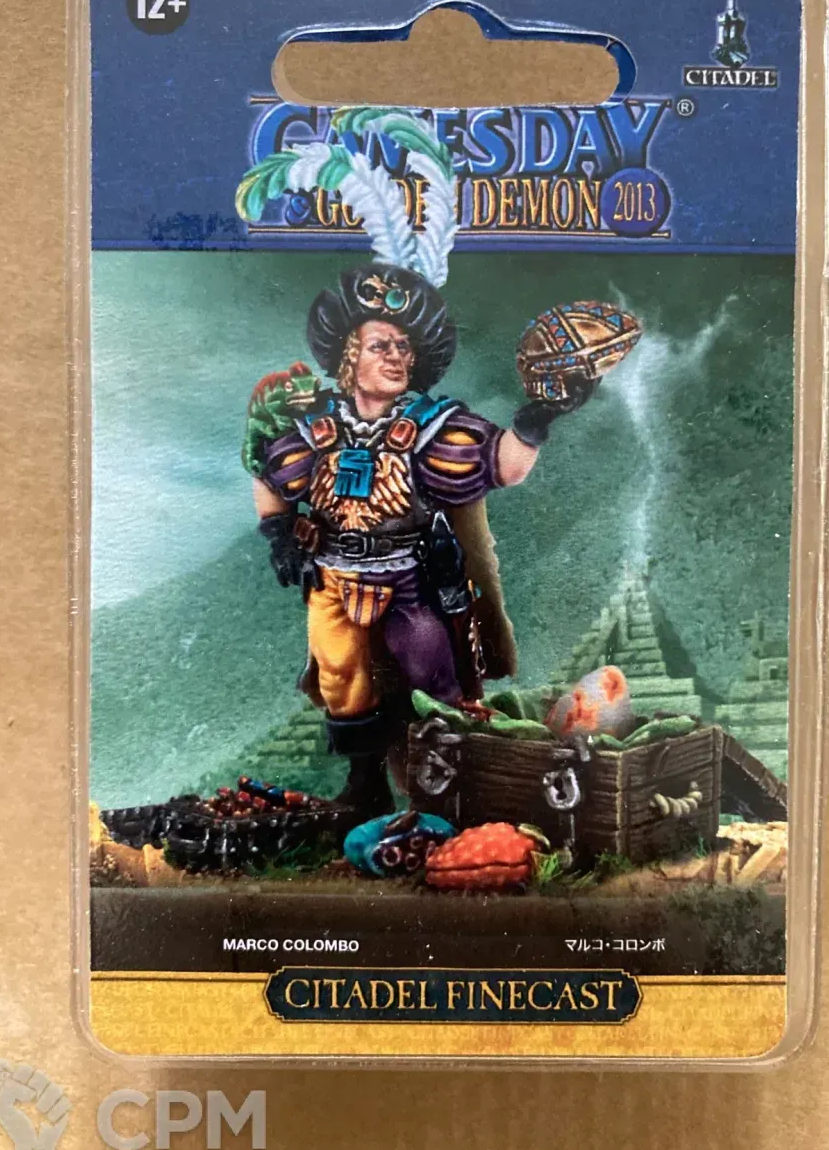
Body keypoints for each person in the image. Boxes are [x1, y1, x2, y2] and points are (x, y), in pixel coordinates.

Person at [245, 262, 592, 817]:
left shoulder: (433, 426)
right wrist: (280, 531)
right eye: (380, 345)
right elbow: (267, 472)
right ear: (349, 356)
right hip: (332, 579)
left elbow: (504, 465)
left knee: (433, 680)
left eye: (404, 348)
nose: (396, 357)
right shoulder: (312, 427)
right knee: (341, 680)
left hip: (408, 580)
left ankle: (448, 796)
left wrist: (537, 417)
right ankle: (364, 789)